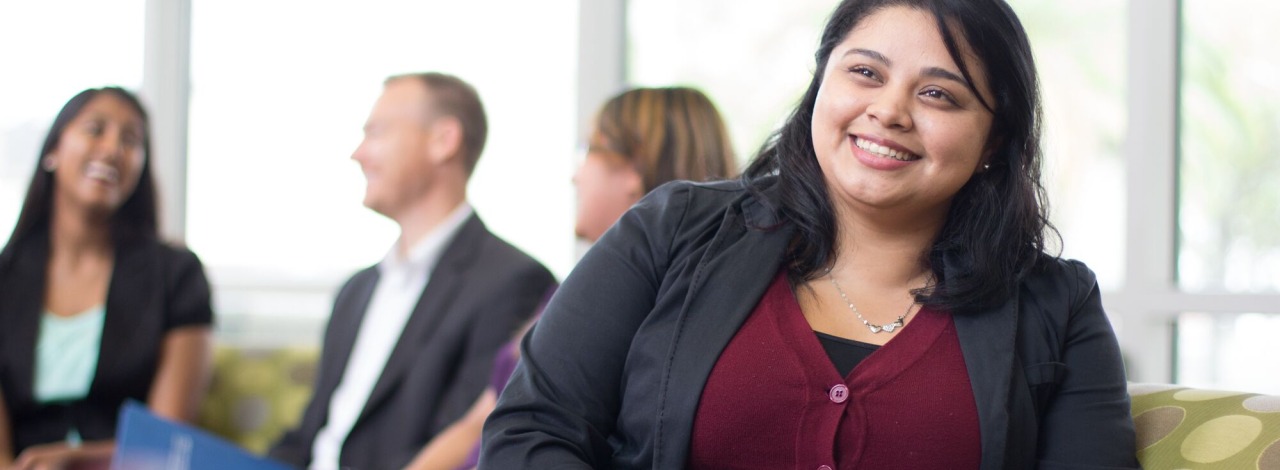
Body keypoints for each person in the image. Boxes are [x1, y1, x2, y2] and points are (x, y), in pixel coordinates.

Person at [480, 0, 1139, 468]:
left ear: (994, 140)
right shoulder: (670, 229)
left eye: (939, 95)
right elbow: (535, 429)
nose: (888, 110)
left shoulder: (1057, 305)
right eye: (864, 72)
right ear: (821, 81)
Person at [403, 86, 738, 470]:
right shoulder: (566, 297)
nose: (574, 176)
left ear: (634, 169)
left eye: (587, 151)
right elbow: (474, 426)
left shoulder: (672, 316)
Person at [268, 72, 556, 470]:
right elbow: (309, 437)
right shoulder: (356, 291)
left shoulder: (513, 283)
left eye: (377, 133)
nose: (358, 153)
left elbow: (470, 444)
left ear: (443, 141)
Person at [0, 87, 214, 470]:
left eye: (131, 140)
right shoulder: (5, 277)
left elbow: (167, 441)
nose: (113, 148)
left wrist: (76, 462)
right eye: (95, 129)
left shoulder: (176, 275)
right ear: (52, 151)